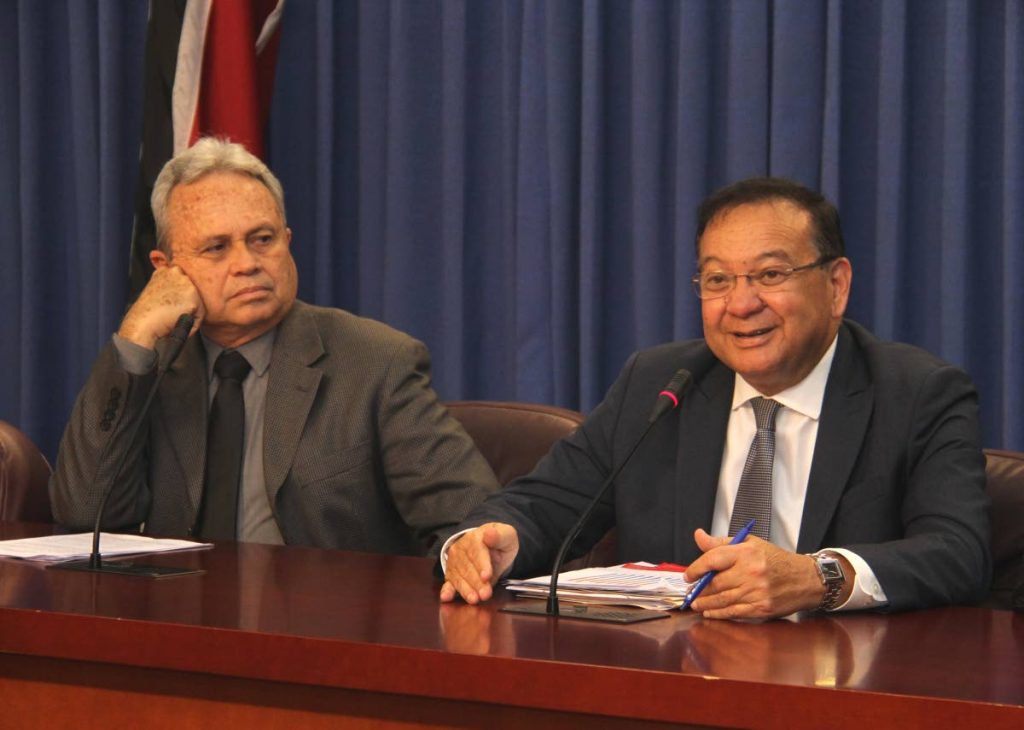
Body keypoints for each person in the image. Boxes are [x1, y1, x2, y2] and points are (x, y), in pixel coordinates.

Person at [440, 177, 990, 618]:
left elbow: (958, 552)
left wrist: (817, 576)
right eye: (718, 280)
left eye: (770, 274)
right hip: (678, 681)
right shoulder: (659, 381)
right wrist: (490, 541)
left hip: (843, 691)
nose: (742, 303)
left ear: (836, 286)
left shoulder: (918, 393)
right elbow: (544, 504)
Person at [50, 137, 499, 556]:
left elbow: (470, 520)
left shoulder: (376, 362)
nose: (247, 264)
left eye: (262, 240)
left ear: (287, 243)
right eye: (216, 248)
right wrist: (134, 338)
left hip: (323, 630)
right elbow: (86, 516)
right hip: (178, 625)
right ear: (166, 269)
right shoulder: (154, 368)